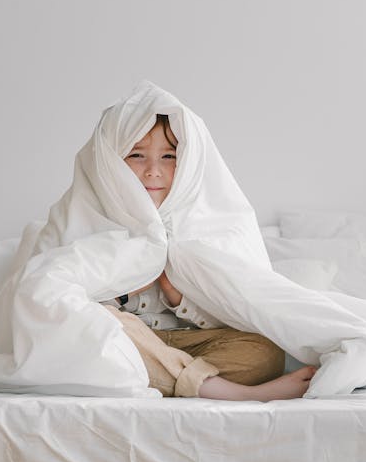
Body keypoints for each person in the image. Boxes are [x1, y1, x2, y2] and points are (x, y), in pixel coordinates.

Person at [102, 114, 317, 401]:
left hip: (192, 343)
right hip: (127, 340)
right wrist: (127, 293)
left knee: (264, 349)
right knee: (97, 326)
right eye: (137, 155)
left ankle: (160, 380)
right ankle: (226, 392)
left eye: (168, 156)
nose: (153, 170)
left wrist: (176, 294)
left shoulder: (213, 224)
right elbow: (59, 307)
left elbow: (233, 311)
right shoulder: (87, 218)